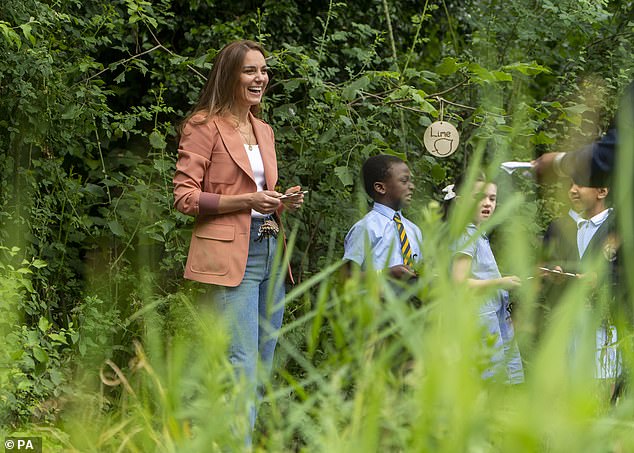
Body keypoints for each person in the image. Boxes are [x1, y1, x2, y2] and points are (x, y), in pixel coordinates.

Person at [172, 39, 304, 439]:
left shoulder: (263, 128)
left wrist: (282, 201)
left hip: (271, 250)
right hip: (233, 259)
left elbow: (261, 193)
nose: (260, 78)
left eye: (263, 71)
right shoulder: (202, 126)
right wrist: (247, 200)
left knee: (262, 361)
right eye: (250, 70)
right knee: (241, 362)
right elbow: (184, 197)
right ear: (229, 75)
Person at [449, 175, 525, 384]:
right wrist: (502, 282)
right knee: (487, 384)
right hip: (479, 322)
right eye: (479, 197)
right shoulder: (466, 235)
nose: (487, 203)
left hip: (495, 319)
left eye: (492, 199)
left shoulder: (478, 234)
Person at [343, 154, 422, 280]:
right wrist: (386, 274)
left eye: (410, 181)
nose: (412, 186)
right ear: (380, 188)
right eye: (404, 181)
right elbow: (346, 277)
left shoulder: (414, 230)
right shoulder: (367, 228)